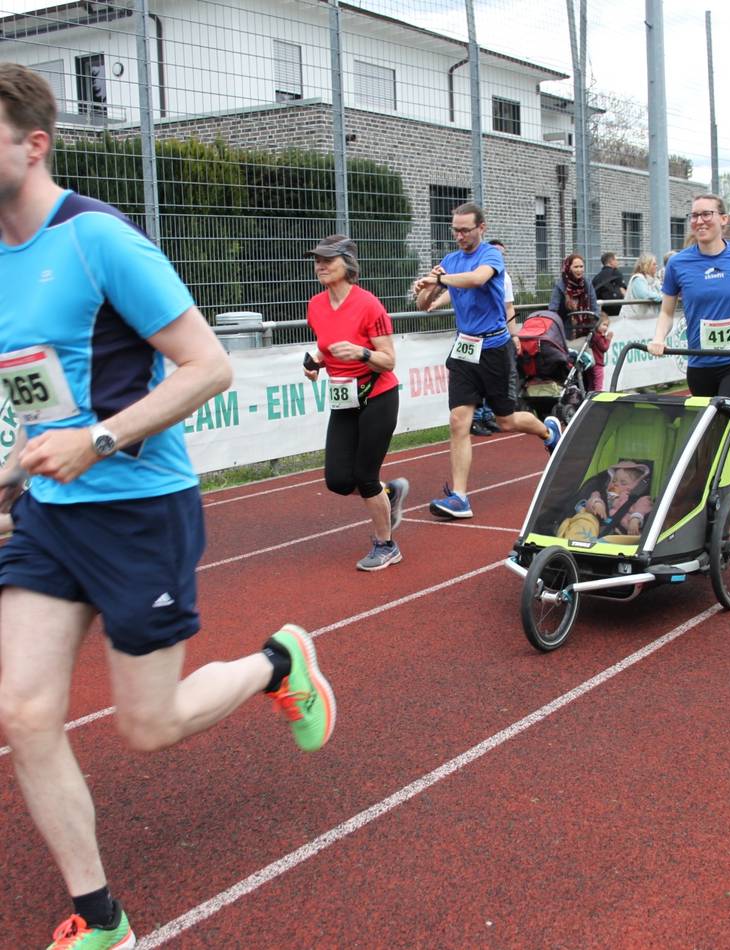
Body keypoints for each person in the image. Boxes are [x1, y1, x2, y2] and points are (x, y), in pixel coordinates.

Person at [0, 63, 336, 949]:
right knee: (23, 713)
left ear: (33, 145)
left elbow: (209, 366)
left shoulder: (99, 240)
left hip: (138, 508)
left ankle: (276, 663)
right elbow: (39, 391)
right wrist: (17, 466)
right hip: (48, 513)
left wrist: (96, 441)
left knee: (147, 727)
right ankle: (101, 917)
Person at [414, 202, 560, 519]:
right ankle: (459, 497)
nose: (459, 235)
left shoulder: (490, 256)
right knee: (458, 422)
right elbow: (427, 305)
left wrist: (441, 280)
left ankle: (548, 433)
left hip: (494, 349)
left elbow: (478, 279)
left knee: (506, 420)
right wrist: (425, 286)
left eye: (465, 229)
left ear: (482, 228)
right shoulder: (450, 261)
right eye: (455, 230)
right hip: (464, 350)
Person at [303, 234, 409, 570]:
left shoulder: (368, 305)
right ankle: (386, 495)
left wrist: (362, 352)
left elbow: (388, 360)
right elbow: (325, 346)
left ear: (347, 264)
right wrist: (314, 363)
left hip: (378, 394)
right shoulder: (316, 305)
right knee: (337, 480)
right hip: (344, 397)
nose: (320, 265)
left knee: (364, 474)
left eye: (327, 260)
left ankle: (386, 545)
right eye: (317, 260)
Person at [648, 193, 730, 400]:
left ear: (723, 219)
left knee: (726, 414)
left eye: (707, 214)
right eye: (694, 215)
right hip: (700, 362)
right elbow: (666, 312)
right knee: (708, 426)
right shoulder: (677, 264)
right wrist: (659, 338)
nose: (700, 221)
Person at [549, 253, 601, 340]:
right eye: (576, 267)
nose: (579, 270)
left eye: (581, 266)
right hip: (565, 332)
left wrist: (595, 323)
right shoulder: (561, 286)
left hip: (587, 331)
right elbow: (553, 310)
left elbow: (594, 307)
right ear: (569, 268)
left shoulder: (587, 284)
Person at [620, 252, 663, 318]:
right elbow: (644, 295)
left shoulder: (655, 280)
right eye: (654, 264)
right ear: (646, 265)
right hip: (632, 320)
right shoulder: (638, 279)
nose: (656, 266)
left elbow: (663, 291)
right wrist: (661, 297)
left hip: (645, 319)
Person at [588, 314, 613, 391]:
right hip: (598, 364)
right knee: (598, 383)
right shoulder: (598, 337)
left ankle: (589, 397)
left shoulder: (593, 335)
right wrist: (608, 339)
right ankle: (597, 397)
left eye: (607, 326)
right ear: (598, 324)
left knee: (591, 383)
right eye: (604, 324)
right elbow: (604, 348)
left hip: (591, 363)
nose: (606, 328)